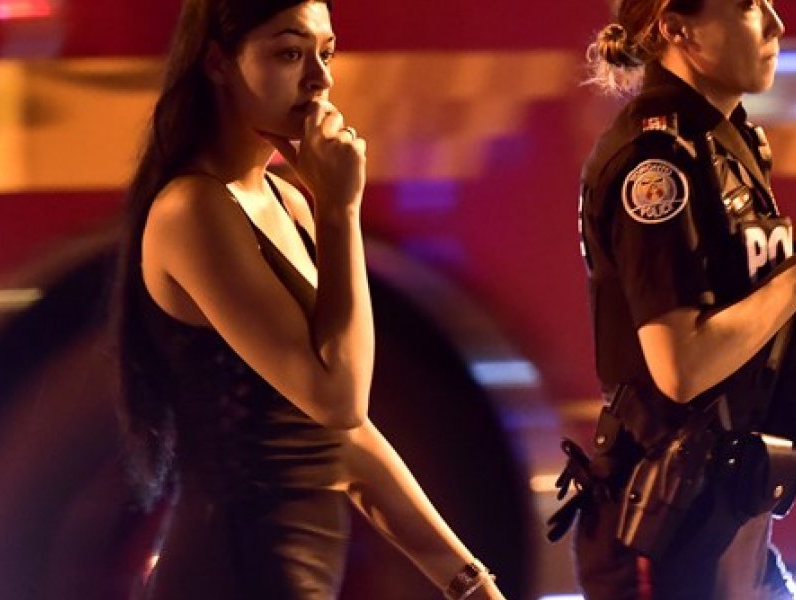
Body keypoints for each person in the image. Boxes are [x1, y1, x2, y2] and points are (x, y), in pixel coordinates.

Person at [110, 1, 505, 598]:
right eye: (290, 53)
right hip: (234, 568)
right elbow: (337, 398)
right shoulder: (192, 210)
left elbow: (349, 439)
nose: (319, 79)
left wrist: (470, 583)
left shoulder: (287, 201)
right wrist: (341, 208)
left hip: (296, 570)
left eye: (327, 53)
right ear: (217, 62)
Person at [548, 0, 796, 598]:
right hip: (665, 533)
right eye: (749, 5)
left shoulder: (727, 141)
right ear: (677, 27)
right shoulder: (658, 163)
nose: (777, 23)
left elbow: (743, 325)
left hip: (726, 513)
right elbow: (682, 368)